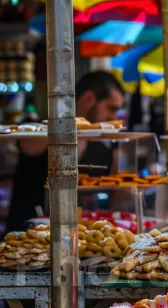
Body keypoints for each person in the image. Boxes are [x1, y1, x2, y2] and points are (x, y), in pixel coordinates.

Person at [6, 71, 125, 232]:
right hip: (27, 236)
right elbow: (28, 144)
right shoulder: (38, 128)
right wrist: (76, 124)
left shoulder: (103, 149)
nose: (114, 116)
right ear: (89, 98)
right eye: (111, 108)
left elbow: (115, 195)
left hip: (83, 240)